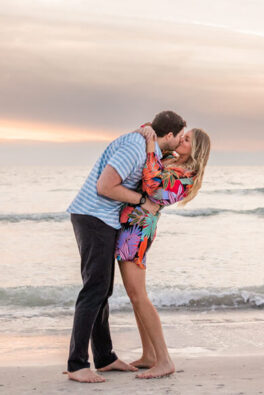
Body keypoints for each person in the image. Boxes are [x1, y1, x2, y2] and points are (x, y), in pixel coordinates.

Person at [64, 110, 187, 384]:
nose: (180, 143)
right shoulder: (136, 146)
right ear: (169, 135)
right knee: (94, 289)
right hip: (94, 216)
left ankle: (105, 357)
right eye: (179, 137)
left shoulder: (147, 146)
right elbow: (105, 186)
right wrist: (142, 202)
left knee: (102, 289)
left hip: (103, 219)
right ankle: (77, 364)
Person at [115, 124, 212, 379]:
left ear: (196, 149)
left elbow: (153, 186)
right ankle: (149, 355)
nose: (181, 140)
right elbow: (155, 138)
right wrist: (148, 132)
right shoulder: (171, 159)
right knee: (134, 294)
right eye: (183, 135)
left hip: (138, 229)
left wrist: (149, 147)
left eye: (187, 139)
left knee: (138, 295)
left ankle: (164, 359)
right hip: (131, 223)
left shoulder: (187, 176)